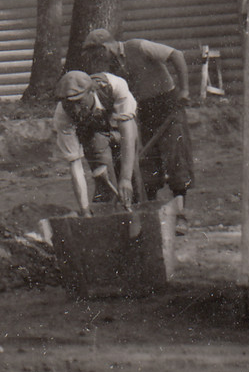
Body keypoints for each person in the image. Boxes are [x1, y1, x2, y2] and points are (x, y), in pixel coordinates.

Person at [82, 28, 194, 233]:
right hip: (142, 112)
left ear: (106, 47)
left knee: (176, 160)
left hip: (167, 106)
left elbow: (176, 55)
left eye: (100, 54)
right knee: (147, 165)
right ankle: (153, 217)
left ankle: (180, 217)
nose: (100, 59)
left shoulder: (139, 46)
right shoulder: (112, 68)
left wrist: (184, 89)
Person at [52, 70, 138, 216]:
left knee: (133, 177)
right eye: (69, 104)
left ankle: (139, 214)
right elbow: (75, 164)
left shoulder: (115, 86)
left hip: (121, 125)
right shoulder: (62, 116)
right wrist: (84, 210)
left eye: (79, 102)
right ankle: (110, 218)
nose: (76, 110)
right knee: (105, 179)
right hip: (96, 134)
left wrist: (125, 178)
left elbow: (128, 133)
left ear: (92, 91)